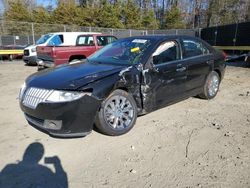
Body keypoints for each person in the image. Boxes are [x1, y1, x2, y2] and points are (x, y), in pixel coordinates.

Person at [0, 142, 68, 188]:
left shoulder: (9, 168)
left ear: (25, 154)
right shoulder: (44, 172)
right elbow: (62, 185)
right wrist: (57, 164)